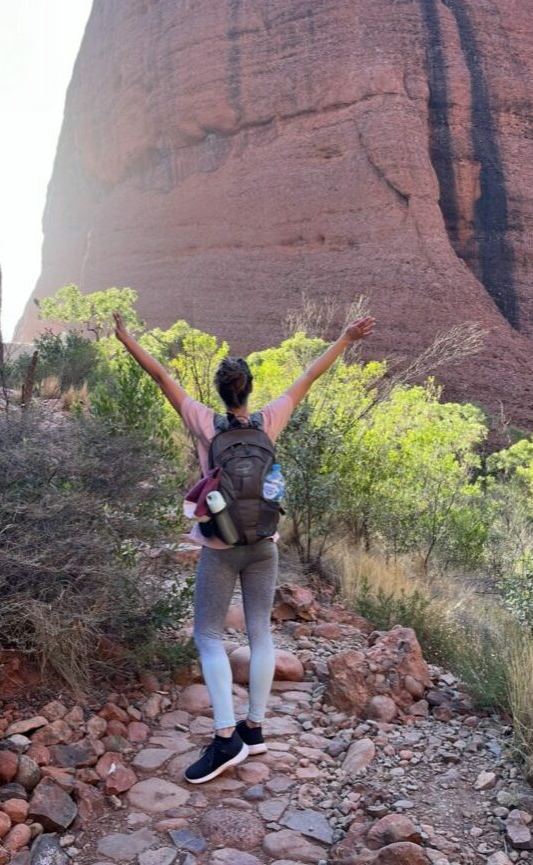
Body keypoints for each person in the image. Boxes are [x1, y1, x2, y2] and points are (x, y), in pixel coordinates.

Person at [113, 310, 375, 783]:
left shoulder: (203, 422)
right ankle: (254, 729)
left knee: (209, 636)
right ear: (250, 389)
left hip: (220, 545)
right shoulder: (270, 419)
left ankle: (225, 737)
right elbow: (310, 375)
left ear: (220, 390)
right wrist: (345, 337)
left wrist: (125, 337)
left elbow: (159, 375)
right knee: (260, 634)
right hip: (264, 544)